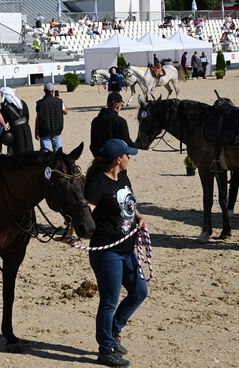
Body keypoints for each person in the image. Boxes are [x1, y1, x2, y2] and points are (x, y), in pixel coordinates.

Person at [84, 138, 147, 368]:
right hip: (107, 252)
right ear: (118, 159)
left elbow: (129, 202)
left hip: (127, 248)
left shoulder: (123, 177)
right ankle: (105, 349)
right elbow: (85, 214)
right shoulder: (97, 184)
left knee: (139, 291)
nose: (131, 158)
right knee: (109, 302)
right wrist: (70, 232)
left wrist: (138, 217)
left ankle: (113, 330)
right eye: (128, 155)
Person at [90, 92, 136, 157]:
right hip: (115, 159)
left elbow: (93, 145)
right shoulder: (120, 122)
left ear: (107, 104)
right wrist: (137, 146)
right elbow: (126, 143)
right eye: (121, 105)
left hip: (98, 158)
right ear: (118, 106)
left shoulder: (95, 120)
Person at [35, 82, 68, 152]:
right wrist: (59, 100)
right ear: (53, 91)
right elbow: (66, 112)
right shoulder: (59, 101)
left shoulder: (40, 103)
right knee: (58, 152)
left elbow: (38, 118)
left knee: (45, 152)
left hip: (44, 130)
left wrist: (36, 130)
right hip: (56, 129)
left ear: (44, 91)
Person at [0, 87, 33, 154]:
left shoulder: (5, 107)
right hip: (26, 127)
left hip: (15, 130)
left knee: (18, 149)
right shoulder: (22, 102)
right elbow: (27, 116)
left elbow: (4, 120)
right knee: (28, 146)